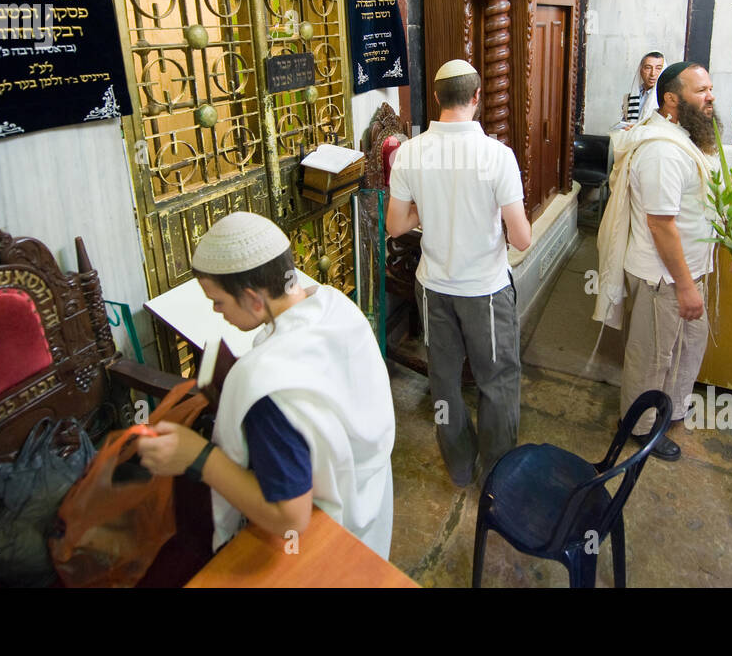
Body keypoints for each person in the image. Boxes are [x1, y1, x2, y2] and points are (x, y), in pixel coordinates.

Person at [136, 211, 396, 558]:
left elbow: (290, 518)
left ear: (254, 298)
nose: (216, 311)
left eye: (218, 301)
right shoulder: (335, 304)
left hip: (325, 538)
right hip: (372, 503)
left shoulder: (263, 382)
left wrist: (197, 457)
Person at [594, 61, 732, 460]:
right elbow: (662, 225)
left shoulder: (686, 138)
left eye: (711, 88)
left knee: (685, 348)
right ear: (672, 100)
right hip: (663, 277)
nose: (711, 96)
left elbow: (700, 179)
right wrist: (683, 287)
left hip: (688, 270)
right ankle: (641, 428)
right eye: (701, 91)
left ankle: (671, 411)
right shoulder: (662, 151)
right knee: (653, 357)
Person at [386, 59, 532, 485]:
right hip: (484, 290)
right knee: (498, 381)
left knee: (444, 381)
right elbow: (521, 239)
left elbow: (395, 226)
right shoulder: (497, 155)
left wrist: (429, 205)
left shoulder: (410, 152)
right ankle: (499, 473)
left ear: (436, 98)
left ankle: (461, 466)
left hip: (433, 289)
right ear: (476, 97)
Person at [615, 51, 665, 129]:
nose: (653, 73)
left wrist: (638, 129)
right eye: (648, 67)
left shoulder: (666, 98)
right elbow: (626, 122)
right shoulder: (629, 98)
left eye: (658, 68)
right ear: (641, 70)